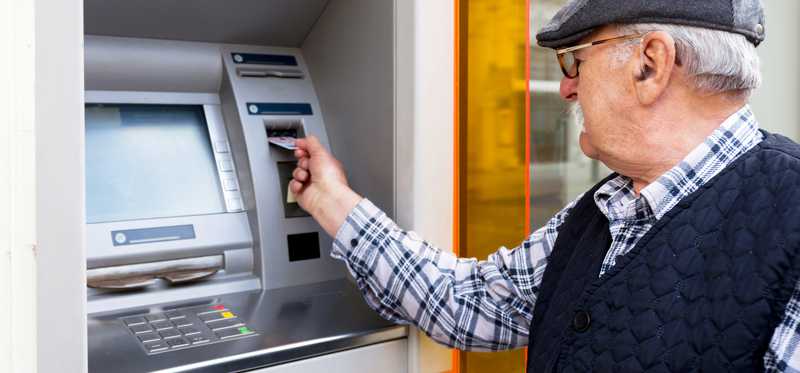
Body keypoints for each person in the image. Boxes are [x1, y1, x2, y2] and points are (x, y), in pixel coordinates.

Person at [289, 0, 800, 371]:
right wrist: (331, 198)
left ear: (651, 64)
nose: (566, 86)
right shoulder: (608, 209)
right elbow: (469, 302)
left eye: (576, 59)